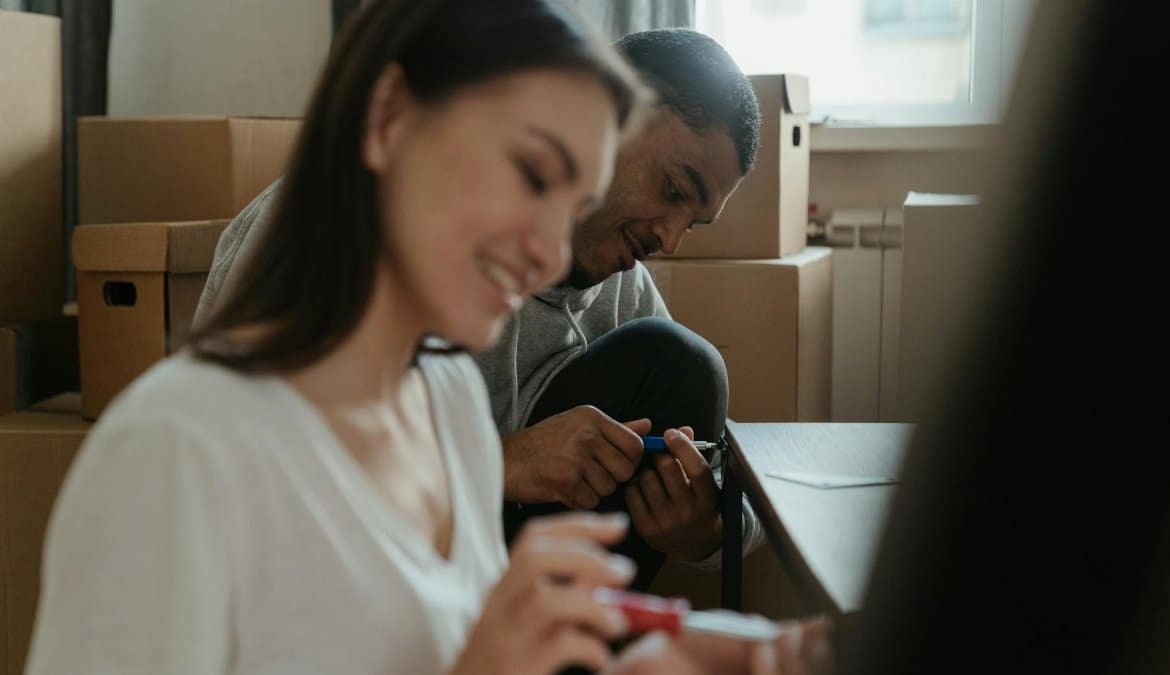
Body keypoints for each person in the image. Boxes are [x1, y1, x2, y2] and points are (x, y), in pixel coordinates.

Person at [26, 1, 830, 673]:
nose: (553, 249)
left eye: (572, 196)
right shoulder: (178, 448)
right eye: (531, 173)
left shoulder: (444, 400)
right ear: (389, 121)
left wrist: (712, 651)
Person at [195, 27, 765, 589]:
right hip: (327, 596)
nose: (668, 241)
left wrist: (702, 529)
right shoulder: (334, 229)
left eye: (692, 223)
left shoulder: (614, 284)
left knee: (684, 366)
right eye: (672, 191)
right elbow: (258, 480)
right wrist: (502, 463)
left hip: (467, 598)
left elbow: (729, 486)